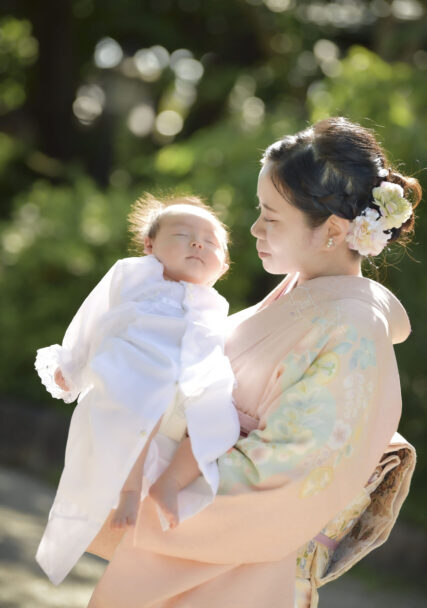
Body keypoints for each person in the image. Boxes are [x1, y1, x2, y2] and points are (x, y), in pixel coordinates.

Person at [85, 117, 420, 608]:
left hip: (244, 568)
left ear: (331, 230)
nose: (255, 228)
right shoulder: (302, 292)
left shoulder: (354, 330)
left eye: (271, 216)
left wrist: (160, 486)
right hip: (206, 555)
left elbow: (290, 473)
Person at [34, 194, 240, 586]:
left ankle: (169, 484)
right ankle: (129, 488)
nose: (198, 243)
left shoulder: (216, 303)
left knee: (221, 426)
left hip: (190, 379)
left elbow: (213, 350)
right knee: (146, 398)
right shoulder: (136, 274)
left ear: (224, 264)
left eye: (211, 242)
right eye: (182, 235)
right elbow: (93, 314)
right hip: (134, 368)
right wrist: (73, 365)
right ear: (150, 246)